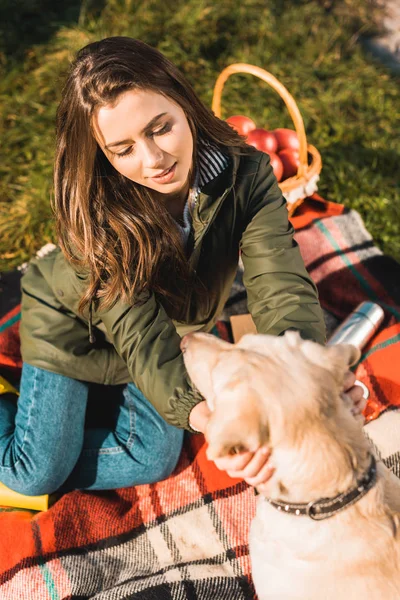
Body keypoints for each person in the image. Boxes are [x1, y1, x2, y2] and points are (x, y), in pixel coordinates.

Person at [0, 37, 363, 497]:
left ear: (183, 102)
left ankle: (78, 423)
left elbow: (281, 289)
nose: (153, 160)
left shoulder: (246, 176)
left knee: (153, 457)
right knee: (32, 474)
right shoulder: (93, 217)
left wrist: (314, 377)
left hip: (165, 331)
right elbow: (140, 336)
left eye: (160, 127)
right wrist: (211, 418)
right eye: (123, 149)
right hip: (74, 331)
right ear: (101, 153)